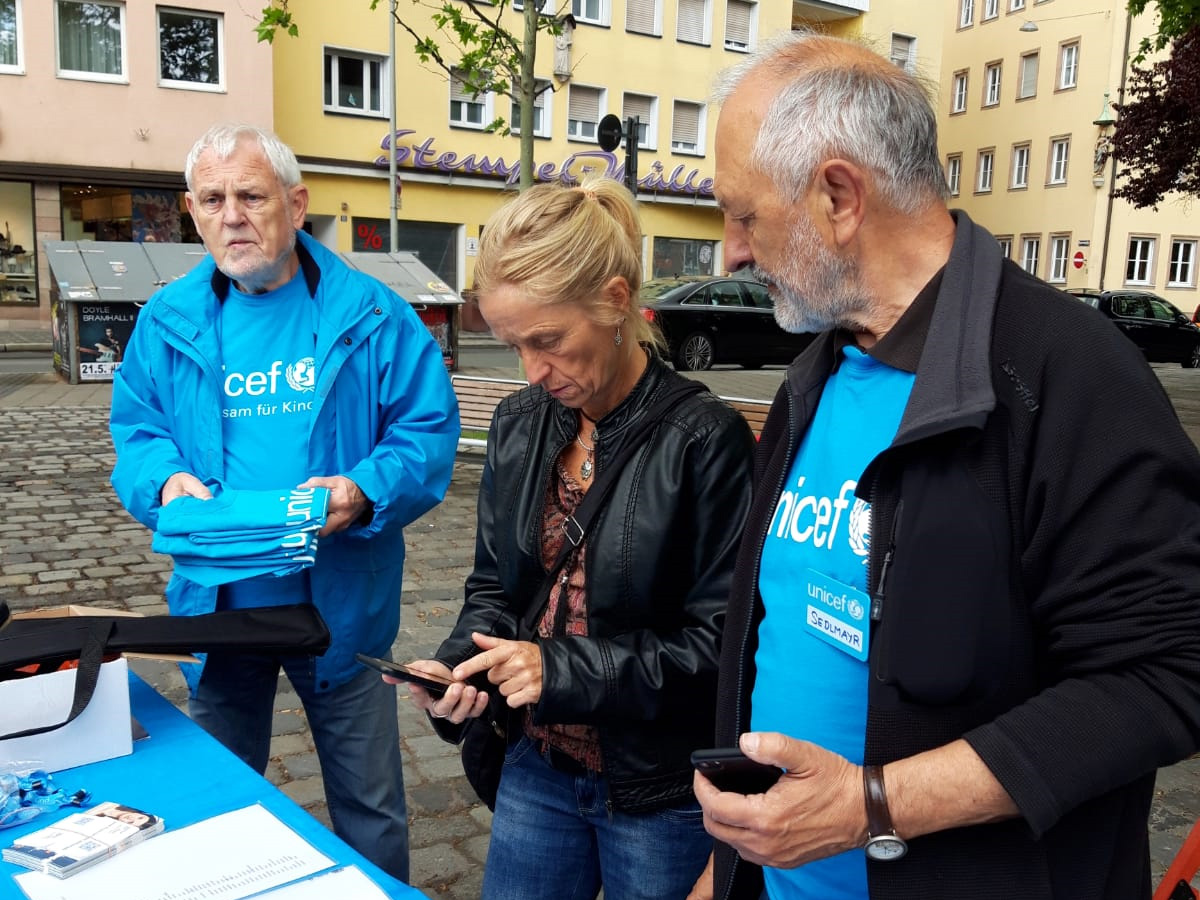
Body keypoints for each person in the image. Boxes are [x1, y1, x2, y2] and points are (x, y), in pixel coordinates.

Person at [692, 31, 1200, 900]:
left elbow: (1164, 675)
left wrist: (875, 804)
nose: (730, 252)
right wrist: (727, 871)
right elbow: (774, 653)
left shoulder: (1068, 373)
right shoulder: (815, 373)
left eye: (743, 215)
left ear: (839, 196)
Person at [108, 123, 460, 883]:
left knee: (369, 807)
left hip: (341, 608)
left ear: (296, 205)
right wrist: (164, 480)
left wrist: (363, 489)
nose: (232, 215)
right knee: (219, 806)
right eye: (213, 199)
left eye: (251, 195)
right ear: (191, 212)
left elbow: (427, 431)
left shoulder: (372, 314)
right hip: (221, 610)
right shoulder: (165, 322)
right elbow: (137, 433)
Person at [395, 177, 756, 900]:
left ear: (616, 301)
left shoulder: (703, 439)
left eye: (548, 340)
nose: (532, 372)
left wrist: (561, 671)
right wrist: (459, 666)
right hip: (537, 765)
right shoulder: (522, 422)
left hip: (658, 792)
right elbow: (496, 588)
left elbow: (724, 649)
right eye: (512, 344)